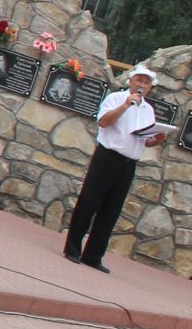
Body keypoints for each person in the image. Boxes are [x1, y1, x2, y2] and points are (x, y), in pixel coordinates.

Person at [63, 65, 169, 272]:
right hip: (107, 157)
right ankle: (73, 248)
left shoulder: (148, 110)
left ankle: (93, 256)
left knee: (111, 211)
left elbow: (144, 141)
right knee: (89, 203)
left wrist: (157, 140)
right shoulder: (115, 99)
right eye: (139, 80)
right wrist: (125, 106)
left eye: (146, 83)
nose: (142, 85)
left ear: (150, 88)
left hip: (128, 164)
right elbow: (103, 122)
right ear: (131, 81)